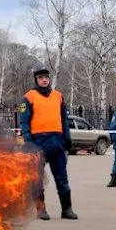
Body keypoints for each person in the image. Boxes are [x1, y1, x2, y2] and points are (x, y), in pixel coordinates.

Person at [17, 67, 78, 221]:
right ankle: (41, 209)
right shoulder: (29, 97)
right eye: (40, 77)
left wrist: (67, 137)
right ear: (36, 80)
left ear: (49, 79)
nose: (44, 80)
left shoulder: (58, 96)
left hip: (57, 142)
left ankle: (67, 209)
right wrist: (29, 142)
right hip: (38, 143)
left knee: (62, 178)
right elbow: (24, 122)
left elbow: (64, 119)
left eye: (46, 77)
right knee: (37, 179)